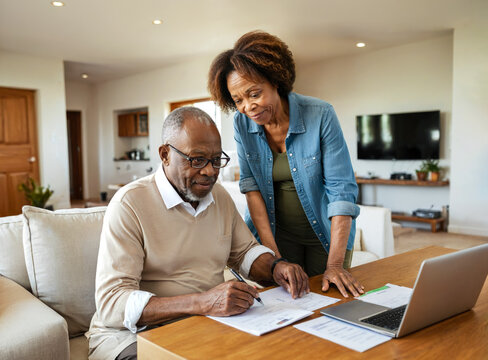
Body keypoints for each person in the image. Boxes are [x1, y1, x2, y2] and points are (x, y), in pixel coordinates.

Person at [86, 106, 309, 360]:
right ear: (165, 155)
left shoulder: (220, 197)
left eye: (216, 160)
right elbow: (112, 304)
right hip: (131, 336)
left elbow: (244, 252)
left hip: (205, 323)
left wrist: (275, 267)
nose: (210, 171)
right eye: (197, 159)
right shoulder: (129, 204)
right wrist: (203, 302)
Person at [208, 30, 364, 299]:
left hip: (324, 237)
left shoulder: (320, 114)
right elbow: (252, 189)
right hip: (275, 236)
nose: (248, 107)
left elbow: (341, 191)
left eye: (254, 93)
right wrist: (274, 259)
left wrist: (335, 264)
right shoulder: (242, 124)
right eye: (238, 100)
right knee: (280, 308)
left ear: (276, 81)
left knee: (328, 304)